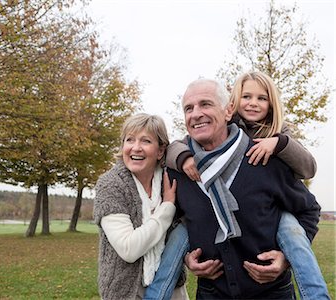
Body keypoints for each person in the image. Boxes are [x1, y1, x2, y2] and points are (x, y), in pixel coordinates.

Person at [151, 72, 329, 300]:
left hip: (272, 293)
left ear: (228, 111)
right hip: (212, 293)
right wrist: (186, 258)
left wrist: (286, 258)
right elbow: (170, 222)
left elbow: (309, 209)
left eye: (205, 104)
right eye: (188, 108)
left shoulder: (265, 155)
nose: (196, 114)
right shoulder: (180, 168)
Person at [93, 113, 188, 300]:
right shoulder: (111, 185)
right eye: (129, 140)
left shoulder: (172, 179)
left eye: (145, 141)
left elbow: (189, 223)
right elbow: (129, 249)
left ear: (160, 151)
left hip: (172, 287)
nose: (136, 148)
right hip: (127, 290)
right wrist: (167, 207)